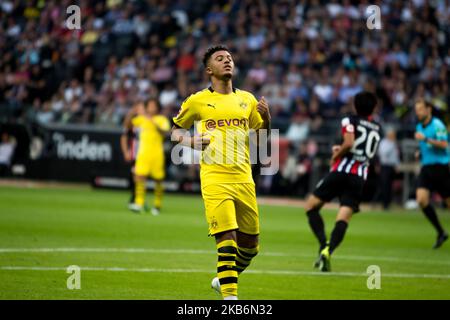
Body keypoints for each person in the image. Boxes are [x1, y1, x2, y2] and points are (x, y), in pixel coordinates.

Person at [171, 45, 271, 300]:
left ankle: (223, 279)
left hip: (244, 179)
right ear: (209, 69)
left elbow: (261, 138)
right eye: (220, 58)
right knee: (227, 239)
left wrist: (267, 119)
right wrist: (191, 142)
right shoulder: (197, 101)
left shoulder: (247, 99)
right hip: (215, 179)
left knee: (251, 247)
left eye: (229, 58)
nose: (227, 61)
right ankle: (230, 299)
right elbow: (175, 132)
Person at [304, 91, 381, 272]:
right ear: (373, 108)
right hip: (359, 176)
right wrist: (344, 149)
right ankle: (328, 251)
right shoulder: (377, 127)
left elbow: (349, 142)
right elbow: (364, 150)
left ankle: (323, 244)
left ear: (355, 105)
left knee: (311, 206)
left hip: (341, 171)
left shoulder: (349, 120)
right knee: (344, 217)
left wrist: (336, 155)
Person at [124, 98, 170, 215]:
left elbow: (165, 132)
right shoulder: (141, 119)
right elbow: (128, 125)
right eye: (149, 105)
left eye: (153, 105)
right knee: (139, 177)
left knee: (158, 180)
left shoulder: (162, 119)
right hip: (143, 153)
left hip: (157, 153)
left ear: (157, 107)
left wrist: (152, 121)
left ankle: (157, 205)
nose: (151, 107)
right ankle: (139, 203)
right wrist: (131, 113)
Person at [414, 99, 449, 249]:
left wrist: (426, 139)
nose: (418, 112)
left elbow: (444, 144)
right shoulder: (419, 126)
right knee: (421, 200)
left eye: (421, 109)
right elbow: (426, 147)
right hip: (426, 168)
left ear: (429, 110)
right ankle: (441, 232)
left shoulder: (437, 125)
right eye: (417, 110)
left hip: (440, 169)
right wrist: (419, 153)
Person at [120, 101, 143, 208]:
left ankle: (137, 199)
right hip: (136, 153)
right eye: (139, 108)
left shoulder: (150, 121)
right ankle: (135, 198)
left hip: (148, 152)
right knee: (135, 175)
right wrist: (126, 151)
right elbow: (124, 134)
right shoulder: (134, 122)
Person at [377, 128, 400, 209]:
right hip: (385, 166)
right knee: (385, 185)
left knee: (390, 186)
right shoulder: (384, 142)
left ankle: (388, 203)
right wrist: (392, 144)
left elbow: (395, 156)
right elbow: (383, 153)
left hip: (392, 166)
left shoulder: (394, 143)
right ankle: (384, 203)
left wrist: (397, 165)